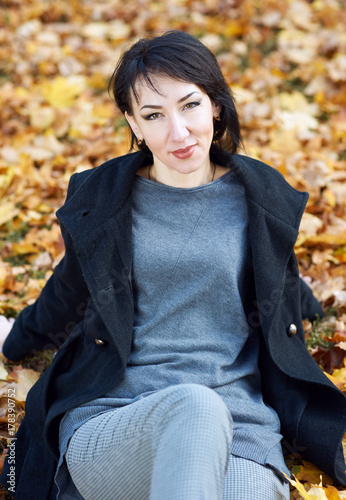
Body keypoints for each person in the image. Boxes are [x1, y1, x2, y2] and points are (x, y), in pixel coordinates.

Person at [0, 30, 345, 500]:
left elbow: (277, 279)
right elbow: (69, 288)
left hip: (240, 429)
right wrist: (16, 338)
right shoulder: (105, 203)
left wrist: (311, 307)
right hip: (115, 421)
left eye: (190, 105)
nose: (178, 133)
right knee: (197, 408)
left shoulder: (258, 200)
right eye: (154, 115)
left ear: (216, 106)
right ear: (133, 124)